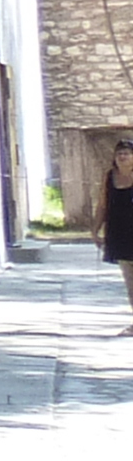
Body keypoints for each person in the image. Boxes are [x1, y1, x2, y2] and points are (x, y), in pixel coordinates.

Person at [102, 136, 133, 333]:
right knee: (130, 282)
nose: (123, 156)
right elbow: (103, 205)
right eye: (120, 153)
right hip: (119, 233)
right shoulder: (109, 176)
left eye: (127, 153)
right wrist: (95, 230)